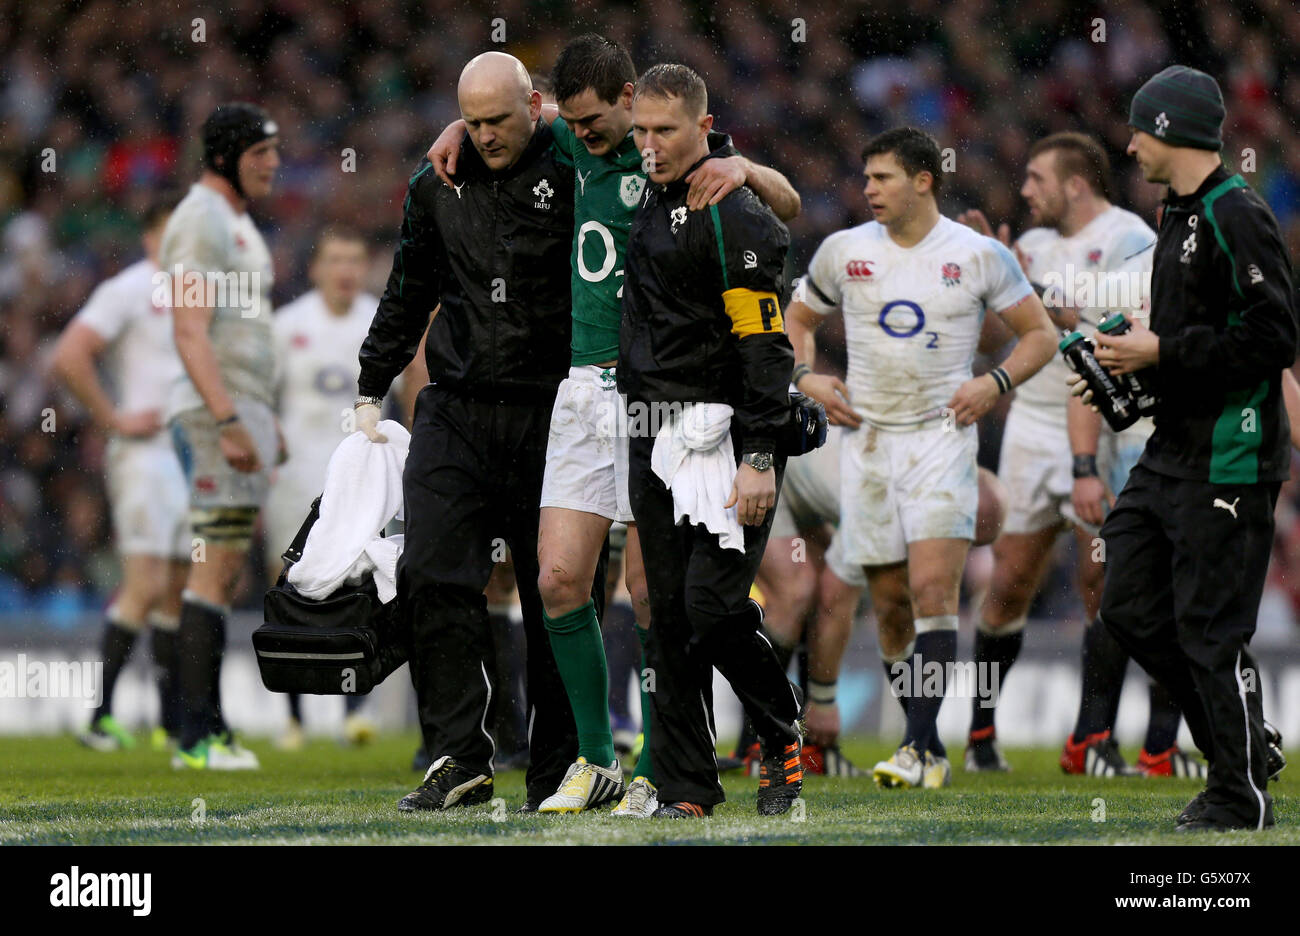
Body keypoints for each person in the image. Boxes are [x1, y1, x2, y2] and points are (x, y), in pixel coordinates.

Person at [426, 34, 801, 816]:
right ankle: (599, 760)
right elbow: (520, 114)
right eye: (578, 121)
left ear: (634, 100)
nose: (591, 135)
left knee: (662, 595)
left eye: (602, 121)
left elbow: (784, 212)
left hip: (669, 397)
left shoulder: (688, 162)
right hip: (583, 385)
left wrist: (746, 168)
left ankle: (675, 767)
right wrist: (461, 128)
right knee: (561, 579)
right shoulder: (574, 135)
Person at [788, 126, 1056, 790]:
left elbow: (1040, 335)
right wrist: (806, 377)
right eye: (866, 177)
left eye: (882, 178)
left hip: (941, 440)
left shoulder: (978, 255)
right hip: (868, 444)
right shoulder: (843, 251)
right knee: (889, 606)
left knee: (934, 590)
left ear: (923, 181)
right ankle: (926, 742)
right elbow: (795, 320)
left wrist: (993, 383)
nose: (868, 189)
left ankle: (918, 747)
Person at [355, 51, 589, 812]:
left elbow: (639, 138)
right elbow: (408, 284)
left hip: (550, 408)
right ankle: (459, 756)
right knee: (428, 572)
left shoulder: (581, 160)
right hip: (453, 405)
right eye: (474, 120)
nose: (486, 136)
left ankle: (556, 768)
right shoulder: (435, 182)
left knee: (549, 588)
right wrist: (371, 379)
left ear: (537, 105)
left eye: (499, 120)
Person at [1085, 66, 1296, 831]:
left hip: (1230, 457)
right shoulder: (1177, 214)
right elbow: (1183, 344)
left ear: (1170, 130)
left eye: (1139, 128)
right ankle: (1242, 741)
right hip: (1172, 449)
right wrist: (1124, 370)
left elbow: (1274, 337)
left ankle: (1240, 796)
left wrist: (1161, 355)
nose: (1131, 143)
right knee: (1129, 608)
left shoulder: (1237, 214)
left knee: (1212, 630)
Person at [956, 132, 1206, 779]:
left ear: (1074, 183)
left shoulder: (1131, 239)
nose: (1026, 190)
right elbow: (993, 337)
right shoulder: (1030, 246)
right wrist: (994, 273)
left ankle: (1092, 738)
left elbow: (1105, 329)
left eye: (1037, 178)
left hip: (1104, 425)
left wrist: (1033, 286)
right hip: (1032, 428)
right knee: (1009, 581)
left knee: (1106, 583)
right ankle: (981, 733)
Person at [620, 63, 804, 819]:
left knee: (712, 606)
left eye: (665, 132)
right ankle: (687, 788)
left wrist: (761, 453)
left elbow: (766, 346)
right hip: (651, 433)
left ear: (704, 126)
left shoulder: (734, 209)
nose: (650, 146)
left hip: (728, 436)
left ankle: (779, 728)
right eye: (642, 132)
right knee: (666, 615)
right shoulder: (652, 196)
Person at [165, 102, 282, 770]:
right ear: (226, 155)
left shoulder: (234, 222)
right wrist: (230, 418)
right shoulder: (201, 218)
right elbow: (189, 329)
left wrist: (266, 419)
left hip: (240, 413)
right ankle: (197, 736)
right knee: (212, 570)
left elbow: (241, 335)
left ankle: (204, 728)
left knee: (227, 566)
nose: (273, 163)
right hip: (216, 419)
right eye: (261, 151)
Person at [51, 193, 188, 753]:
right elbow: (69, 354)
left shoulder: (202, 296)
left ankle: (168, 718)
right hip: (144, 456)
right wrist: (111, 419)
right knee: (146, 584)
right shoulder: (129, 289)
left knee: (179, 592)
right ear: (151, 237)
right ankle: (98, 716)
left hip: (187, 460)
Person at [265, 226, 386, 750]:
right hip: (293, 480)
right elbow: (261, 399)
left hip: (356, 481)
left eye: (355, 259)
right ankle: (293, 717)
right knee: (291, 587)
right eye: (335, 258)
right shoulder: (286, 325)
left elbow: (405, 391)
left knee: (360, 584)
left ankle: (355, 709)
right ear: (315, 268)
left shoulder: (378, 322)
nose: (346, 269)